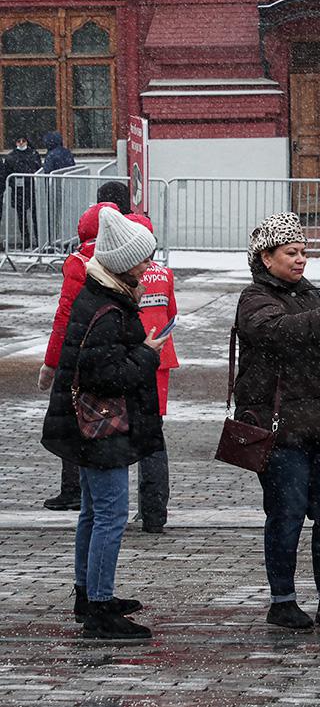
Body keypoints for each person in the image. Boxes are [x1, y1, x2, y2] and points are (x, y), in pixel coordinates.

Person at [235, 212, 320, 629]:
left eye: (303, 252)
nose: (300, 260)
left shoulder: (312, 296)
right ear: (266, 257)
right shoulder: (254, 299)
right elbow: (282, 333)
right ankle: (282, 601)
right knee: (287, 513)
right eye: (291, 252)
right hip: (280, 431)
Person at [41, 206, 165, 640]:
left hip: (85, 428)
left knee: (93, 513)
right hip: (100, 429)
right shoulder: (108, 310)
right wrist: (148, 352)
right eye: (144, 259)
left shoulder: (99, 294)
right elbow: (107, 376)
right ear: (124, 263)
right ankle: (99, 607)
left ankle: (89, 592)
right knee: (110, 514)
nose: (150, 266)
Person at [40, 201, 121, 510]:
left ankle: (74, 488)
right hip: (111, 352)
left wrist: (51, 362)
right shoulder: (124, 259)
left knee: (72, 419)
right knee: (106, 419)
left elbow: (63, 318)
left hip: (77, 353)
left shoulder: (78, 263)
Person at [127, 213, 176, 533]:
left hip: (130, 356)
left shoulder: (125, 275)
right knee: (153, 433)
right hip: (160, 357)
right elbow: (172, 312)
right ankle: (155, 509)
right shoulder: (166, 274)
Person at [7, 135, 41, 249]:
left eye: (23, 141)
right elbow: (7, 173)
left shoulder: (33, 154)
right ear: (15, 143)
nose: (21, 143)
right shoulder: (11, 156)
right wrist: (13, 183)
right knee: (21, 217)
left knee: (35, 215)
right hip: (18, 191)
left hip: (32, 188)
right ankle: (25, 240)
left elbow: (38, 169)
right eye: (18, 141)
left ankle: (38, 238)